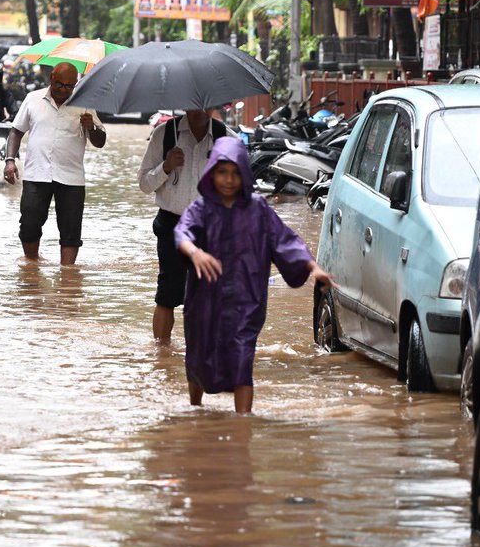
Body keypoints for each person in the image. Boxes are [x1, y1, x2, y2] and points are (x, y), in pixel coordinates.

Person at [175, 136, 333, 413]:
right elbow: (182, 233)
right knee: (199, 356)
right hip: (205, 300)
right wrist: (195, 252)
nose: (228, 180)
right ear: (212, 172)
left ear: (245, 174)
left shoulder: (257, 209)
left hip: (246, 301)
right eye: (222, 172)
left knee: (242, 357)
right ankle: (195, 410)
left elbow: (285, 240)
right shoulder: (202, 208)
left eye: (236, 173)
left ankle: (242, 425)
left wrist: (313, 267)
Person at [137, 109, 227, 344]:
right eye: (194, 103)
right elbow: (144, 184)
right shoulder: (164, 135)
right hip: (172, 224)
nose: (200, 110)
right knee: (167, 291)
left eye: (206, 103)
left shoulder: (226, 139)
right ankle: (162, 355)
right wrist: (166, 167)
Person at [3, 62, 106, 264]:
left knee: (71, 230)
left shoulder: (85, 104)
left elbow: (100, 142)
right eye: (60, 84)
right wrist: (10, 161)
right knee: (29, 224)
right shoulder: (33, 99)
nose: (64, 90)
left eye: (69, 86)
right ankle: (31, 265)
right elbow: (16, 131)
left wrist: (91, 128)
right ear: (51, 79)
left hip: (71, 178)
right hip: (36, 173)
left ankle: (67, 276)